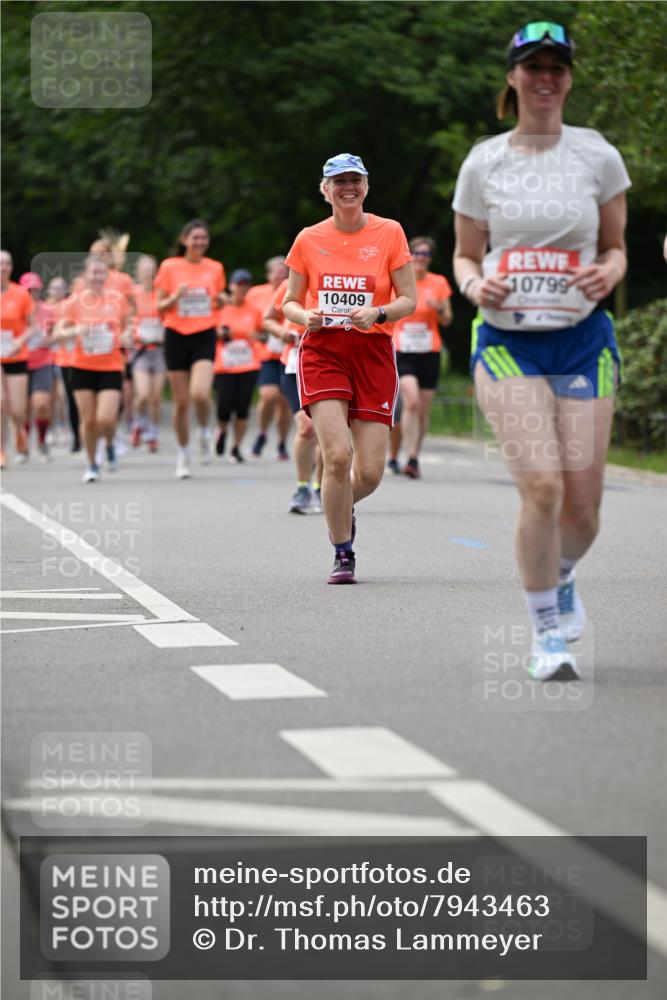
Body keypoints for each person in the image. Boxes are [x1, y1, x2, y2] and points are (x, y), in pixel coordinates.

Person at [453, 21, 631, 680]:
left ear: (569, 78)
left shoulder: (597, 156)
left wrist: (608, 273)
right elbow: (464, 256)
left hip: (583, 342)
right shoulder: (483, 161)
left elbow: (615, 246)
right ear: (512, 77)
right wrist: (476, 285)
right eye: (533, 66)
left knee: (582, 512)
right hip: (506, 342)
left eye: (557, 66)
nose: (545, 78)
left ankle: (558, 574)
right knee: (541, 486)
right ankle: (544, 637)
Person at [282, 153, 417, 583]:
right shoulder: (308, 238)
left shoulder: (389, 232)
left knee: (371, 472)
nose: (347, 187)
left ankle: (341, 506)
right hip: (323, 349)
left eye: (354, 180)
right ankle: (343, 550)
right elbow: (288, 302)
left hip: (373, 352)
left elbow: (408, 299)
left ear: (366, 186)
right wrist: (306, 318)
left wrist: (378, 312)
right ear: (325, 190)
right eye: (338, 181)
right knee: (337, 456)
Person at [155, 219, 225, 479]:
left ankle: (205, 429)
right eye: (194, 238)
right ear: (184, 240)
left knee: (200, 393)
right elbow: (159, 306)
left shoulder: (215, 267)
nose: (199, 242)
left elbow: (218, 300)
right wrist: (176, 296)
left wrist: (222, 299)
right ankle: (183, 454)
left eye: (203, 238)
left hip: (204, 334)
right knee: (181, 402)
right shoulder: (169, 267)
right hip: (176, 335)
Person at [53, 255, 131, 482]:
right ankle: (91, 463)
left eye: (101, 272)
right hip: (82, 366)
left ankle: (108, 445)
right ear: (85, 276)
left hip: (110, 365)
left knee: (106, 418)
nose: (97, 277)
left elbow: (128, 325)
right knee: (89, 420)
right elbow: (58, 333)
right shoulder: (74, 302)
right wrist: (75, 332)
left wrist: (126, 335)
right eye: (93, 273)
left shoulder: (117, 299)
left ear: (107, 275)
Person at [392, 236, 453, 478]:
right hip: (403, 349)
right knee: (412, 402)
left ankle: (413, 457)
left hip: (429, 351)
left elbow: (448, 320)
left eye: (426, 255)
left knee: (423, 410)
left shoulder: (439, 282)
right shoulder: (399, 280)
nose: (421, 258)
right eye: (417, 253)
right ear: (410, 255)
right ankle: (410, 455)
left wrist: (438, 308)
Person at [264, 277, 323, 513]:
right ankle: (302, 487)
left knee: (325, 431)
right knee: (306, 427)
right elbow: (268, 319)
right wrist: (282, 333)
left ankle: (321, 488)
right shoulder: (292, 282)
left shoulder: (339, 279)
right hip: (294, 365)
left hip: (328, 366)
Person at [212, 269, 262, 463]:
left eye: (245, 285)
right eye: (238, 284)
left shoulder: (254, 310)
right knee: (224, 407)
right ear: (231, 286)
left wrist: (256, 337)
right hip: (225, 365)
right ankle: (222, 431)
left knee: (242, 408)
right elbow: (210, 332)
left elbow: (263, 334)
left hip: (248, 365)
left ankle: (235, 448)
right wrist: (224, 334)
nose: (241, 288)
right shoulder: (220, 308)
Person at [247, 256, 292, 460]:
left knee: (285, 402)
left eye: (285, 271)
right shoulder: (256, 294)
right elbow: (246, 322)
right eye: (277, 271)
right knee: (269, 395)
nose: (281, 274)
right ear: (268, 274)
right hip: (266, 353)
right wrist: (264, 335)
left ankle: (282, 442)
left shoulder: (295, 290)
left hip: (289, 352)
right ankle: (262, 432)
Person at [0, 250, 34, 466]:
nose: (3, 267)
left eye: (7, 264)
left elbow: (34, 327)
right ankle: (1, 450)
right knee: (0, 403)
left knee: (18, 410)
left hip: (16, 356)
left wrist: (18, 342)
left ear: (11, 268)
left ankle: (20, 429)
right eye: (0, 263)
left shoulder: (21, 294)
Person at [129, 254, 165, 453]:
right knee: (142, 394)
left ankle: (153, 434)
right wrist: (133, 333)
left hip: (159, 350)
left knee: (156, 397)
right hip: (140, 350)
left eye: (151, 270)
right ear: (138, 273)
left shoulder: (161, 293)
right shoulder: (133, 294)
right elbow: (127, 317)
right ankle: (138, 424)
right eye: (144, 270)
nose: (148, 274)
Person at [20, 272, 57, 461]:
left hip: (43, 362)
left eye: (35, 289)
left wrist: (47, 340)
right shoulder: (17, 309)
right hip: (21, 362)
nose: (32, 292)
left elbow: (57, 335)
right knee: (23, 409)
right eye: (29, 289)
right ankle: (24, 445)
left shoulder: (48, 310)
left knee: (41, 404)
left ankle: (42, 441)